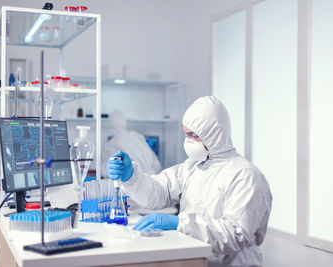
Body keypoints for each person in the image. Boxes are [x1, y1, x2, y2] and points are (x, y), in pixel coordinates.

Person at [107, 96, 272, 267]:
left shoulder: (245, 175)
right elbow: (159, 191)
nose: (188, 141)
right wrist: (132, 176)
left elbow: (235, 235)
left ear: (214, 134)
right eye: (186, 134)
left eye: (194, 135)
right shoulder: (192, 166)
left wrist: (180, 223)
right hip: (195, 259)